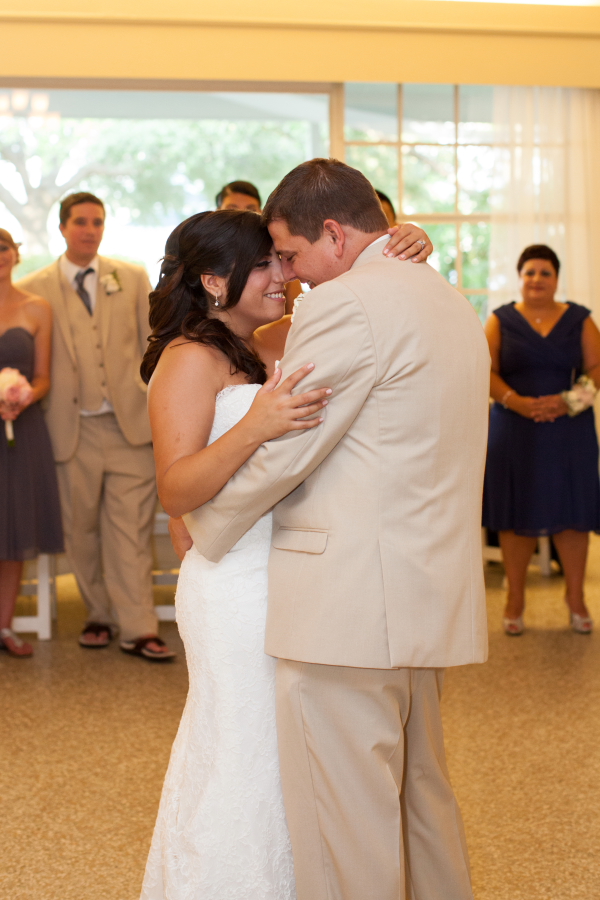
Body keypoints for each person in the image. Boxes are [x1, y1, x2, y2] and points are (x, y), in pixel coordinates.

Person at [171, 158, 490, 900]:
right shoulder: (444, 297)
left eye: (289, 253)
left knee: (347, 831)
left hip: (346, 605)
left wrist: (207, 526)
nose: (288, 274)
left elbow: (293, 444)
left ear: (337, 236)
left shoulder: (345, 305)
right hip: (418, 593)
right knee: (420, 805)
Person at [17, 193, 175, 660]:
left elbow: (154, 342)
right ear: (63, 228)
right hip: (70, 429)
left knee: (130, 528)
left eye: (98, 222)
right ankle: (98, 616)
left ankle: (139, 627)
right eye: (81, 222)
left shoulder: (128, 276)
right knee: (80, 530)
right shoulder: (35, 287)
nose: (90, 229)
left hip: (129, 424)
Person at [483, 244, 600, 636]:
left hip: (569, 428)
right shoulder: (500, 320)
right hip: (514, 428)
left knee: (573, 513)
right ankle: (515, 598)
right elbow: (486, 370)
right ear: (520, 277)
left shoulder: (580, 319)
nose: (536, 279)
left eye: (544, 273)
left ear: (556, 278)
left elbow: (596, 367)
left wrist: (568, 402)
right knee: (516, 514)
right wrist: (519, 403)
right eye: (530, 272)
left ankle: (576, 597)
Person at [0, 228, 63, 658]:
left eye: (2, 246)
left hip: (19, 430)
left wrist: (20, 397)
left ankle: (3, 628)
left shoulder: (37, 308)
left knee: (13, 528)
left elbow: (43, 377)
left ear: (16, 252)